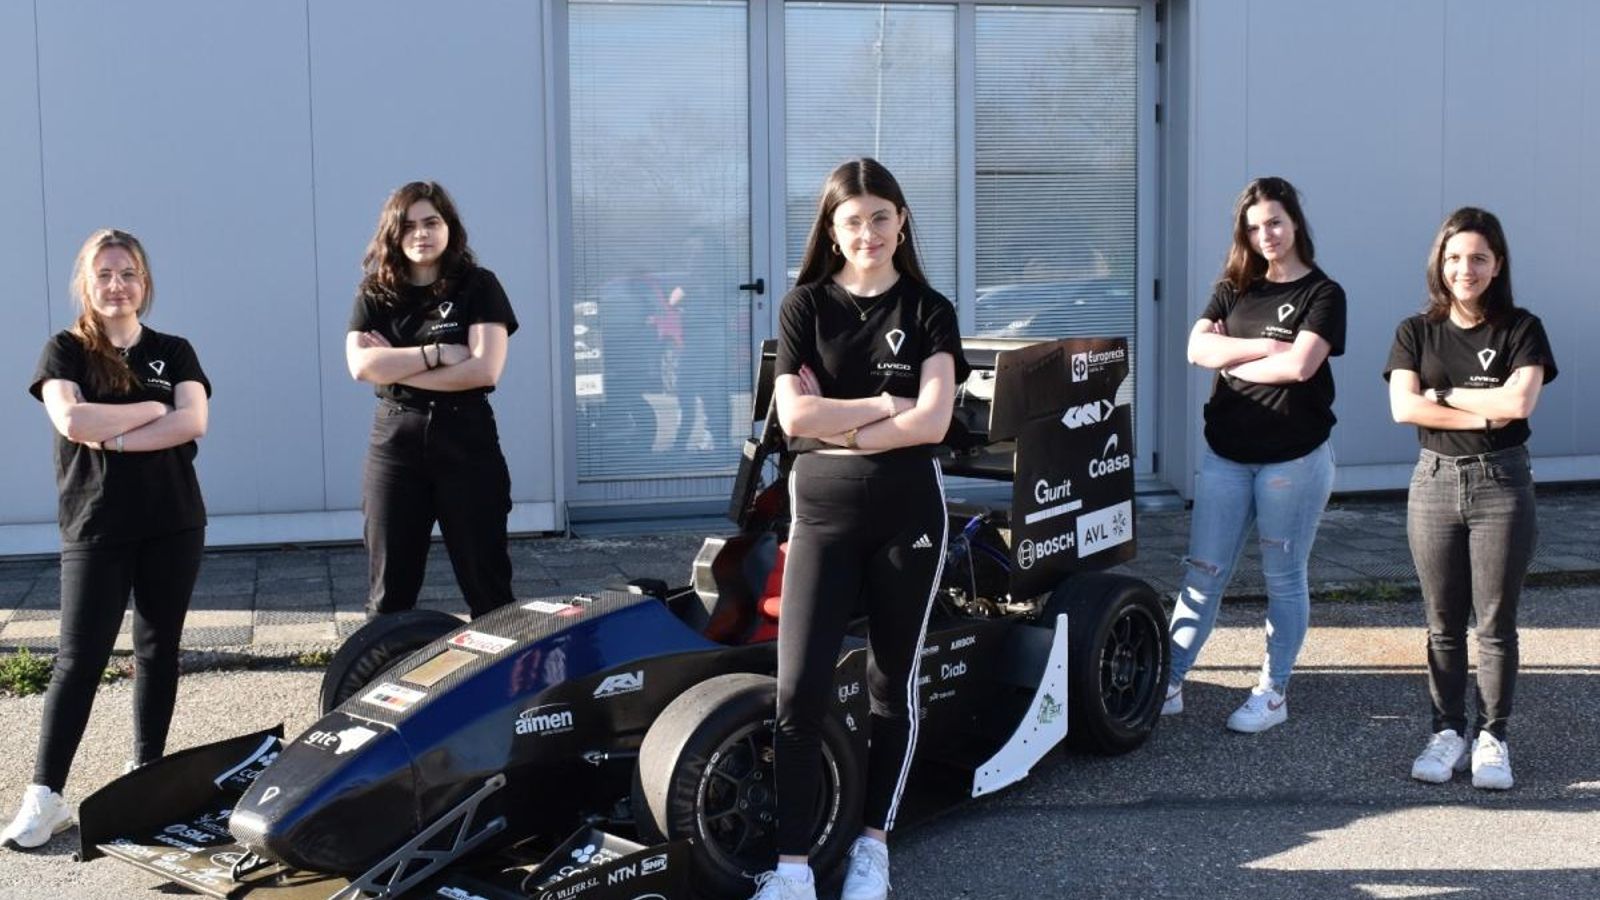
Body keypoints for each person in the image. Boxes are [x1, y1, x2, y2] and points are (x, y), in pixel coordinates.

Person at [752, 158, 967, 900]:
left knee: (888, 683)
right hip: (820, 520)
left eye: (881, 216)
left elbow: (935, 421)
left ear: (902, 221)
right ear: (832, 231)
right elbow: (792, 418)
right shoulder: (804, 306)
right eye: (853, 221)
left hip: (908, 518)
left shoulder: (930, 310)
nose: (868, 233)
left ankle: (873, 845)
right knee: (797, 692)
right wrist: (885, 407)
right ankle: (791, 867)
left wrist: (845, 423)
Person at [4, 229, 210, 850]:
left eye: (128, 274)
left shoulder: (173, 350)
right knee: (78, 659)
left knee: (157, 650)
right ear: (86, 284)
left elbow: (194, 420)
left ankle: (144, 773)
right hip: (96, 524)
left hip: (172, 522)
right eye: (105, 274)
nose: (116, 285)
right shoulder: (64, 352)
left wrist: (114, 433)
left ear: (144, 283)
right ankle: (45, 797)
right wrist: (152, 412)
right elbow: (71, 419)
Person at [1162, 176, 1344, 734]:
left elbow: (1300, 367)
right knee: (1203, 573)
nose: (1266, 234)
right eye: (1254, 225)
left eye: (1275, 222)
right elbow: (1196, 347)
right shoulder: (1234, 286)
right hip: (1226, 455)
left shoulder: (1323, 294)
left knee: (1283, 576)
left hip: (1292, 459)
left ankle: (1273, 689)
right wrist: (1263, 346)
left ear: (1295, 223)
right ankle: (1168, 680)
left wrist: (1229, 358)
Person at [1386, 207, 1555, 790]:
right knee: (1441, 624)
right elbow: (1403, 408)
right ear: (1440, 262)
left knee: (1496, 623)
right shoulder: (1417, 331)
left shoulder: (1521, 329)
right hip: (1434, 481)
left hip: (1502, 483)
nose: (1466, 268)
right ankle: (1446, 732)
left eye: (1479, 258)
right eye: (1455, 257)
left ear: (1497, 264)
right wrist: (1480, 403)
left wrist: (1443, 392)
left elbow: (1518, 405)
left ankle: (1492, 738)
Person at [345, 181, 518, 619]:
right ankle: (380, 681)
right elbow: (362, 368)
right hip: (395, 447)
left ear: (449, 228)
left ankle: (502, 684)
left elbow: (484, 371)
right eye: (408, 226)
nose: (421, 233)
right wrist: (437, 355)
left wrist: (398, 366)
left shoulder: (479, 286)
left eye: (431, 222)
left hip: (468, 443)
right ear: (393, 234)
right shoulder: (375, 293)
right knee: (389, 597)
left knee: (488, 590)